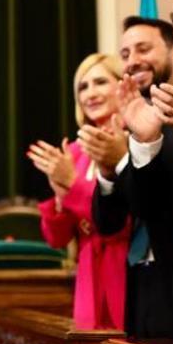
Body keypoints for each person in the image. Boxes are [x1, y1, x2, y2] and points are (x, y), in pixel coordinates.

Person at [94, 17, 173, 339]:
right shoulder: (129, 120)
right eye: (124, 54)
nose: (133, 60)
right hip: (140, 285)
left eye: (143, 49)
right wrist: (109, 171)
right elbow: (112, 221)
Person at [27, 53, 129, 330]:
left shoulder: (136, 140)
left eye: (99, 82)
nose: (90, 93)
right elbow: (57, 238)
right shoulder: (74, 152)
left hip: (127, 273)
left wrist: (72, 185)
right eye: (82, 87)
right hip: (87, 276)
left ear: (122, 86)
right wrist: (60, 196)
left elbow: (120, 224)